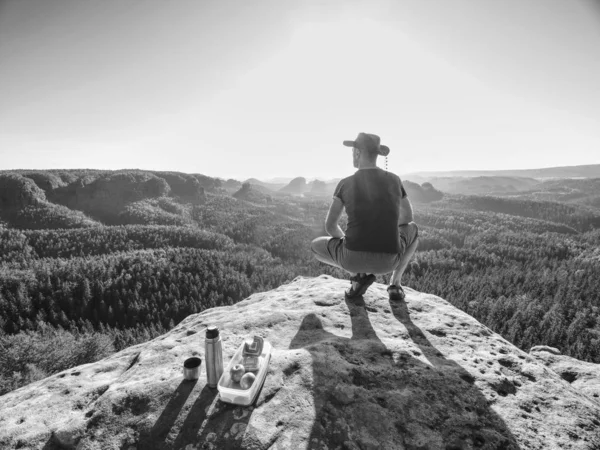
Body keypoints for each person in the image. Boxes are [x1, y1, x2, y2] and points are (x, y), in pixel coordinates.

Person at [310, 132, 419, 300]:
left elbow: (330, 226)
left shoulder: (345, 183)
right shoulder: (395, 180)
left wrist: (349, 241)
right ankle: (395, 284)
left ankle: (358, 277)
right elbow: (407, 218)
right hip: (388, 262)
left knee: (315, 247)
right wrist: (386, 233)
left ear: (357, 153)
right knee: (413, 230)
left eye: (353, 151)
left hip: (350, 259)